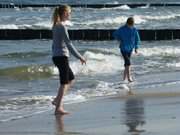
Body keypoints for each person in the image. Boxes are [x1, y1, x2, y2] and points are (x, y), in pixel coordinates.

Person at [51, 5, 86, 115]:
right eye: (69, 13)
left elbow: (54, 44)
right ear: (64, 13)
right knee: (64, 82)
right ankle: (58, 108)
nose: (70, 15)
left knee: (70, 79)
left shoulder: (55, 26)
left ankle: (57, 100)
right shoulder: (61, 27)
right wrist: (80, 56)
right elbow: (69, 44)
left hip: (57, 56)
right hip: (61, 57)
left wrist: (55, 55)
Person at [113, 17, 140, 82]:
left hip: (130, 49)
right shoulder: (122, 29)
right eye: (130, 25)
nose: (131, 26)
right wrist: (119, 39)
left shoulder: (134, 30)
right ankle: (129, 78)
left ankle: (124, 78)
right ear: (127, 23)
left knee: (126, 64)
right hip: (123, 48)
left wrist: (136, 48)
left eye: (132, 25)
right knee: (128, 63)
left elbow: (137, 39)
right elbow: (114, 34)